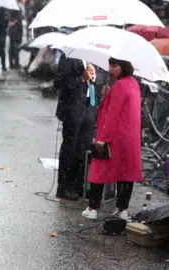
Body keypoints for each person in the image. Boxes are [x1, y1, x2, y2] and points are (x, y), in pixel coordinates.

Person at [82, 58, 142, 220]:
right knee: (125, 173)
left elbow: (111, 114)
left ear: (123, 67)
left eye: (114, 66)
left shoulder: (119, 86)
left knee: (98, 171)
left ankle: (92, 208)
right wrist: (108, 96)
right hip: (129, 138)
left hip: (114, 137)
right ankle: (122, 209)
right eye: (110, 65)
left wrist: (103, 138)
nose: (110, 69)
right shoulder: (133, 83)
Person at [54, 57, 98, 201]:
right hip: (72, 109)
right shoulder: (69, 58)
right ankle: (63, 186)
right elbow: (59, 83)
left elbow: (97, 80)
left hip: (88, 108)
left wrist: (93, 77)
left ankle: (76, 185)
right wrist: (80, 79)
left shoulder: (94, 59)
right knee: (70, 147)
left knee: (83, 148)